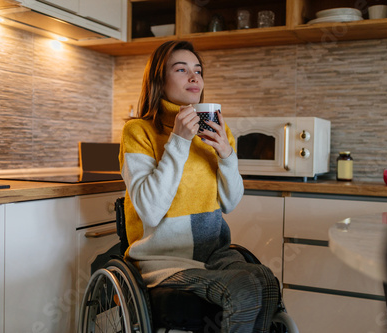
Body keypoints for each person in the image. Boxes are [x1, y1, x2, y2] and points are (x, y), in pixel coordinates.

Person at [119, 40, 279, 332]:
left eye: (198, 70)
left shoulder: (217, 129)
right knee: (243, 287)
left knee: (265, 280)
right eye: (181, 69)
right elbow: (151, 211)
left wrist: (227, 156)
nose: (194, 77)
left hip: (214, 255)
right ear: (158, 80)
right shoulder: (138, 131)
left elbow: (230, 203)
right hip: (163, 261)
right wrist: (178, 141)